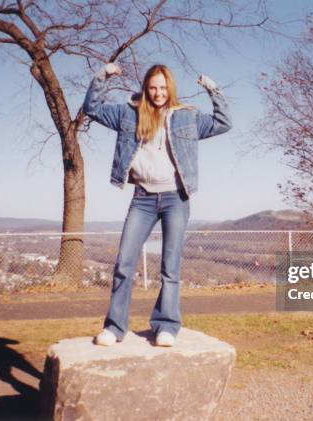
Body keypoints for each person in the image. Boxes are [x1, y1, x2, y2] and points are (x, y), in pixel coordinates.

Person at [83, 63, 231, 347]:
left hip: (176, 198)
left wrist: (212, 89)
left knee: (170, 266)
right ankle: (114, 328)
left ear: (170, 88)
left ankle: (166, 326)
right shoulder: (128, 112)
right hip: (143, 199)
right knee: (124, 262)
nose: (158, 92)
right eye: (153, 87)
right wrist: (103, 75)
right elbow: (92, 108)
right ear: (145, 88)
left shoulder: (187, 117)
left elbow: (223, 122)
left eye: (163, 87)